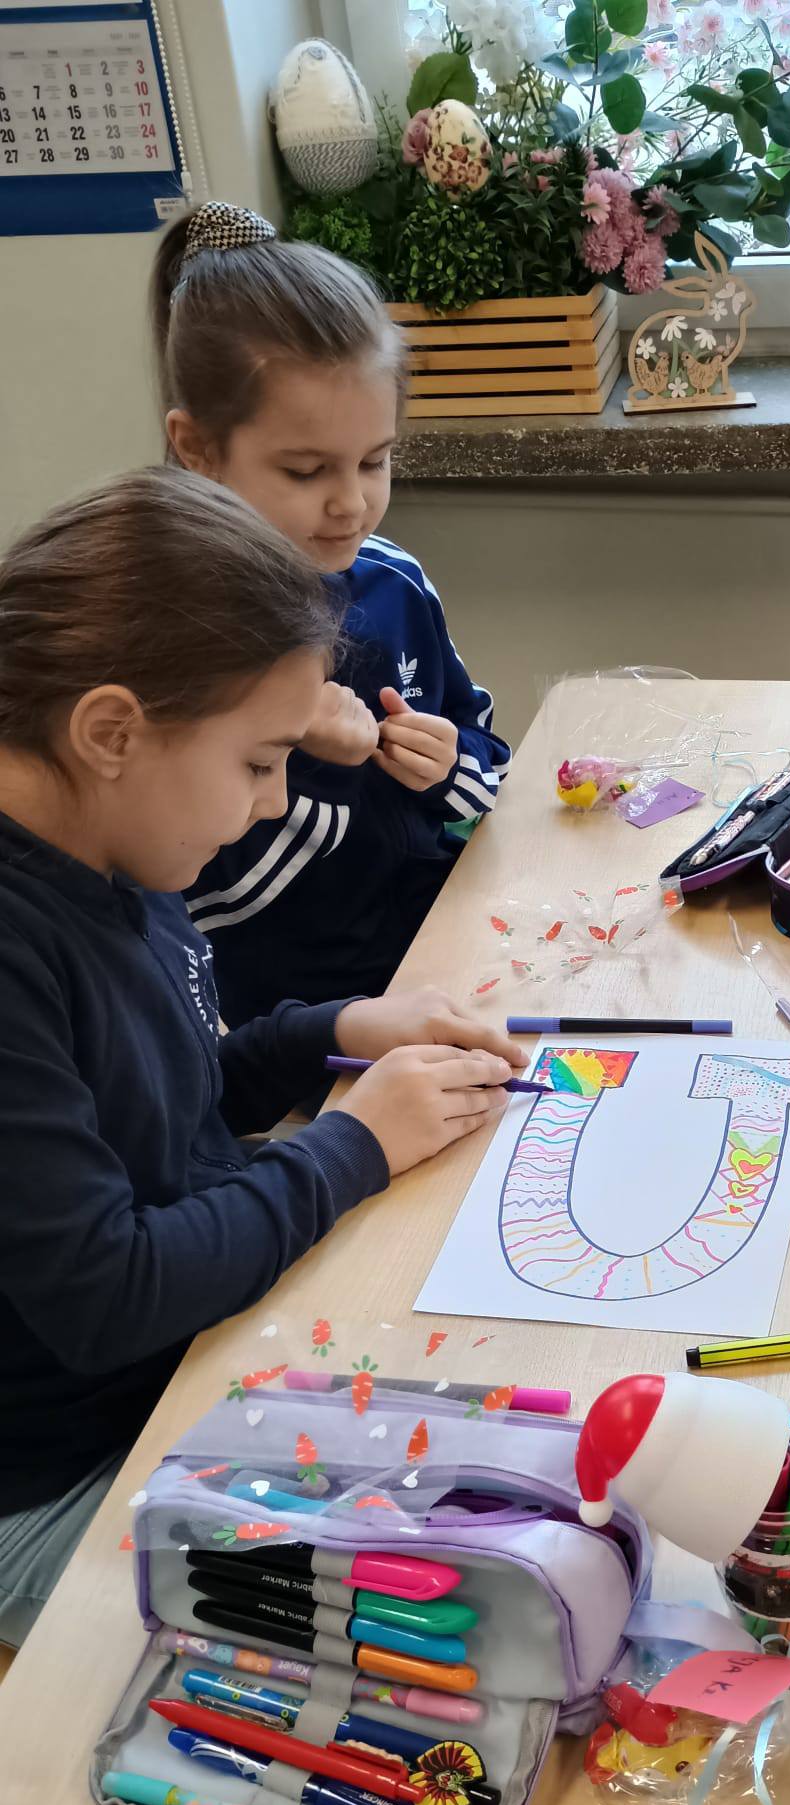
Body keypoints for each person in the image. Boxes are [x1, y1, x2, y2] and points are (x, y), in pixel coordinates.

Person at [0, 469, 525, 1649]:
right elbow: (110, 1290)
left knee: (494, 1492)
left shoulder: (106, 834)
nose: (275, 801)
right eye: (257, 762)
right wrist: (350, 1146)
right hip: (52, 1480)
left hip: (169, 1366)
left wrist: (332, 1029)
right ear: (111, 731)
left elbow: (163, 1104)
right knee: (428, 1628)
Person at [150, 200, 510, 1026]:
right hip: (296, 1028)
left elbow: (489, 756)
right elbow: (187, 899)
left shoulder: (393, 582)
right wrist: (298, 759)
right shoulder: (176, 636)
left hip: (445, 958)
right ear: (198, 448)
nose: (351, 504)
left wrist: (449, 765)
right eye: (306, 471)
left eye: (374, 461)